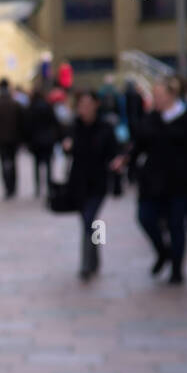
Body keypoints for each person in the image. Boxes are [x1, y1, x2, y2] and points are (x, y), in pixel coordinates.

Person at [122, 76, 187, 285]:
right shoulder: (150, 118)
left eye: (160, 96)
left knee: (177, 225)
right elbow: (138, 146)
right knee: (145, 217)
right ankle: (163, 252)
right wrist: (125, 161)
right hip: (153, 181)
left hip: (181, 181)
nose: (156, 100)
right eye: (155, 96)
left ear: (172, 95)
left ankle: (176, 269)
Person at [62, 91, 122, 281]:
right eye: (81, 104)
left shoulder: (105, 127)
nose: (84, 109)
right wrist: (66, 146)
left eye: (88, 104)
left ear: (96, 105)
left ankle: (86, 264)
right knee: (90, 222)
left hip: (98, 181)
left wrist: (117, 163)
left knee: (90, 219)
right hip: (78, 182)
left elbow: (114, 152)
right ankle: (95, 255)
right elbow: (66, 150)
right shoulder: (74, 126)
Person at [0, 79, 26, 199]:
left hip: (1, 139)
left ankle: (7, 187)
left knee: (3, 163)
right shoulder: (16, 104)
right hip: (14, 139)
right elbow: (22, 123)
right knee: (13, 162)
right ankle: (13, 186)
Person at [26, 89, 61, 198]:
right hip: (48, 140)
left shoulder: (31, 108)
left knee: (37, 165)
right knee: (49, 164)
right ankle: (49, 187)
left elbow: (27, 125)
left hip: (35, 140)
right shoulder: (48, 107)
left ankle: (38, 188)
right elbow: (55, 122)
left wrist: (27, 140)